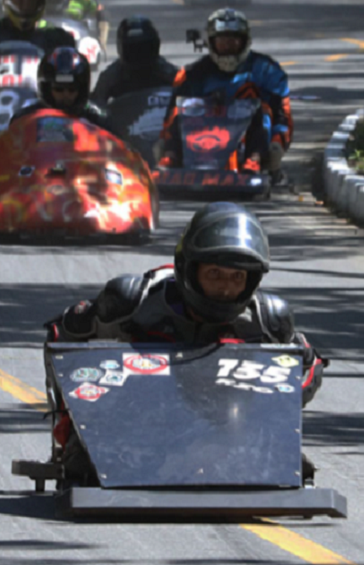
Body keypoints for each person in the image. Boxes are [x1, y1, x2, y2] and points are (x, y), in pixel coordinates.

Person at [44, 202, 325, 482]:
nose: (225, 288)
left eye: (237, 277)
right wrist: (71, 426)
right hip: (139, 423)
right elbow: (62, 338)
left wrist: (276, 404)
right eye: (214, 273)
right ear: (189, 269)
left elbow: (308, 366)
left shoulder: (268, 320)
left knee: (289, 464)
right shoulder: (133, 302)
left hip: (229, 427)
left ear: (251, 280)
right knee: (82, 466)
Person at [158, 8, 293, 185]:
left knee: (263, 109)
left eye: (233, 41)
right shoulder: (192, 74)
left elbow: (283, 116)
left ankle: (254, 160)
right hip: (201, 138)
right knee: (180, 109)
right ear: (211, 43)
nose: (228, 47)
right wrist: (166, 142)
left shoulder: (268, 71)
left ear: (245, 41)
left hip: (249, 143)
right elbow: (171, 114)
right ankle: (171, 158)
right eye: (222, 42)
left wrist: (277, 144)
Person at [91, 16, 179, 106]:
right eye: (132, 50)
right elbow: (94, 105)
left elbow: (187, 99)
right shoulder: (111, 76)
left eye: (144, 49)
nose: (139, 54)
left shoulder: (169, 73)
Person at [12, 47, 108, 127]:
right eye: (59, 89)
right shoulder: (26, 118)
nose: (66, 95)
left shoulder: (97, 118)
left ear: (81, 90)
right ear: (47, 89)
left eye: (72, 90)